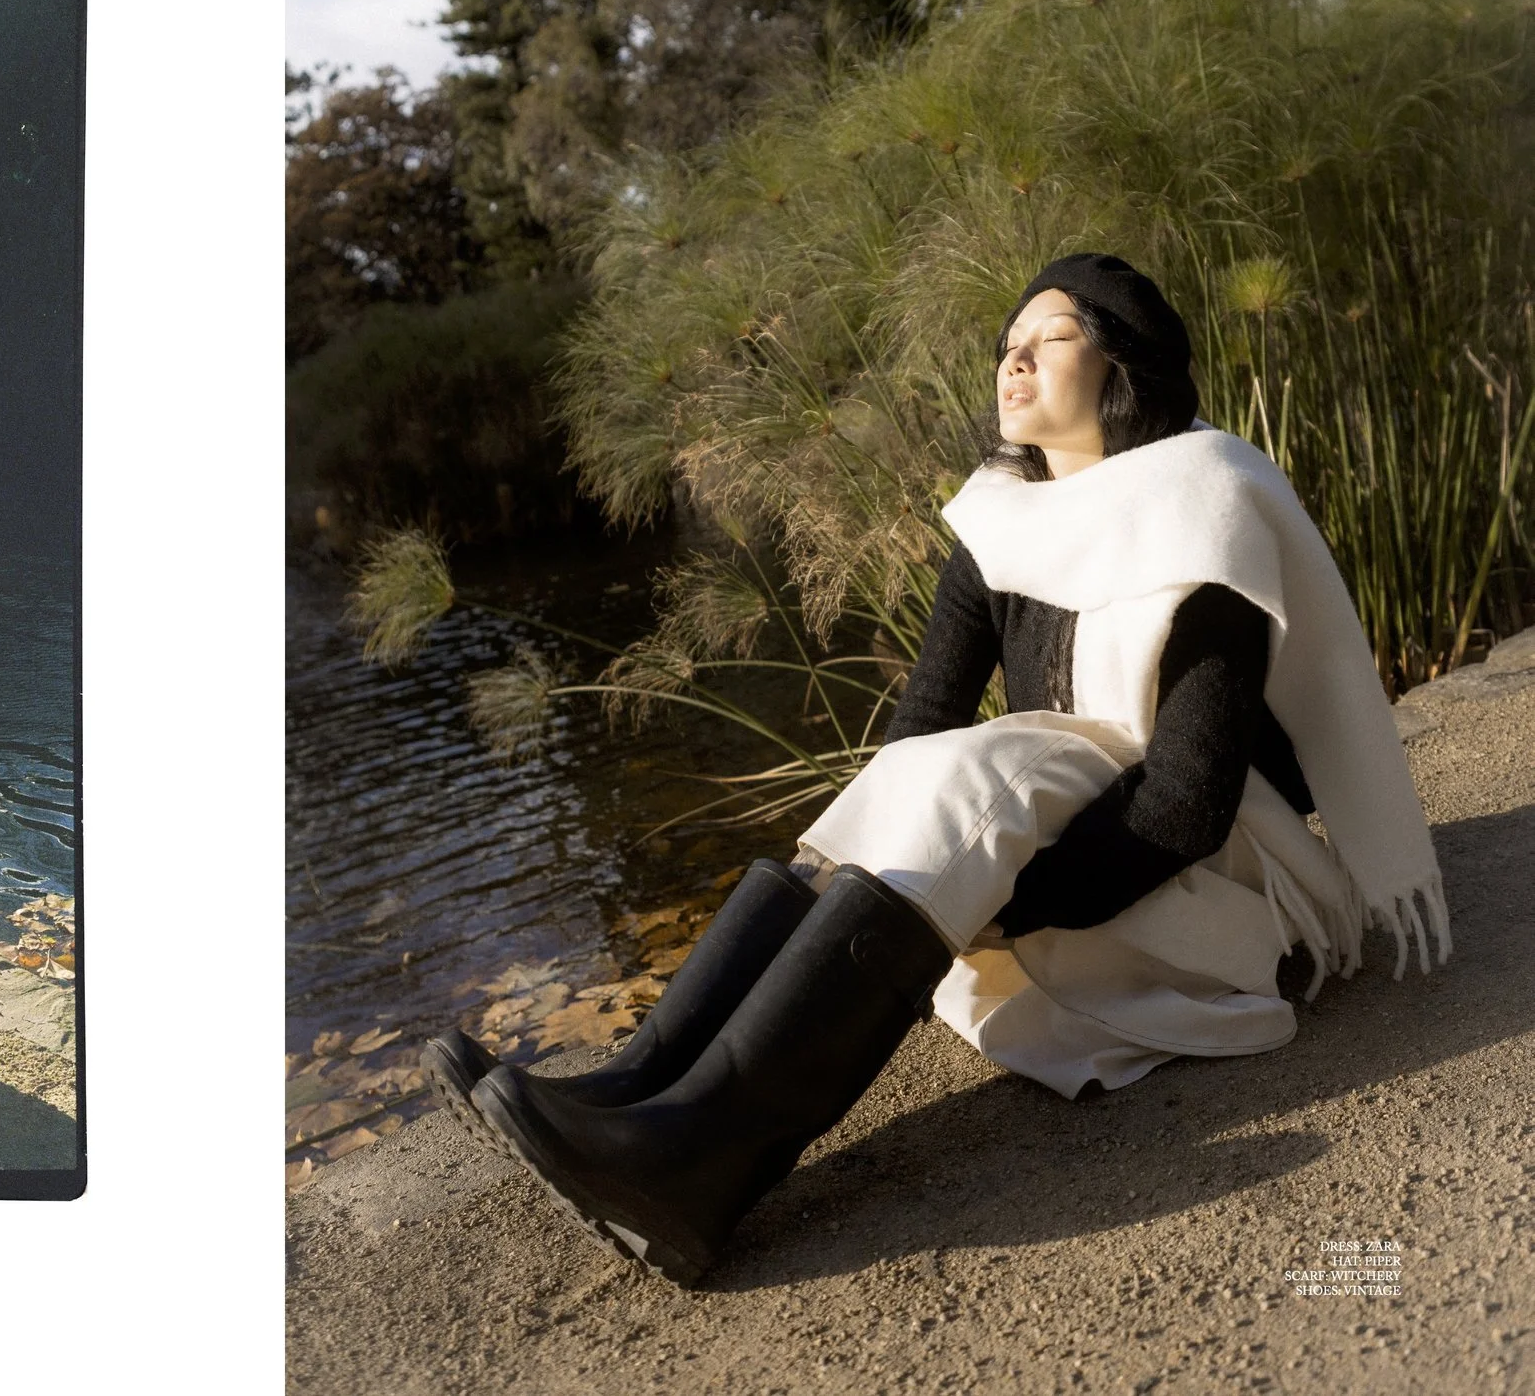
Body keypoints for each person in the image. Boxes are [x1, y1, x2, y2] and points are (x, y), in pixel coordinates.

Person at [430, 252, 1452, 1285]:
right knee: (941, 766)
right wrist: (910, 877)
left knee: (1001, 760)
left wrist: (984, 904)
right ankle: (639, 1086)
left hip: (1200, 894)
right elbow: (920, 732)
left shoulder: (1205, 505)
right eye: (1007, 345)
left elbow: (1183, 807)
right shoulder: (1001, 515)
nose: (1014, 361)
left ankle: (698, 1159)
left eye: (1049, 339)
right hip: (1065, 864)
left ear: (1123, 364)